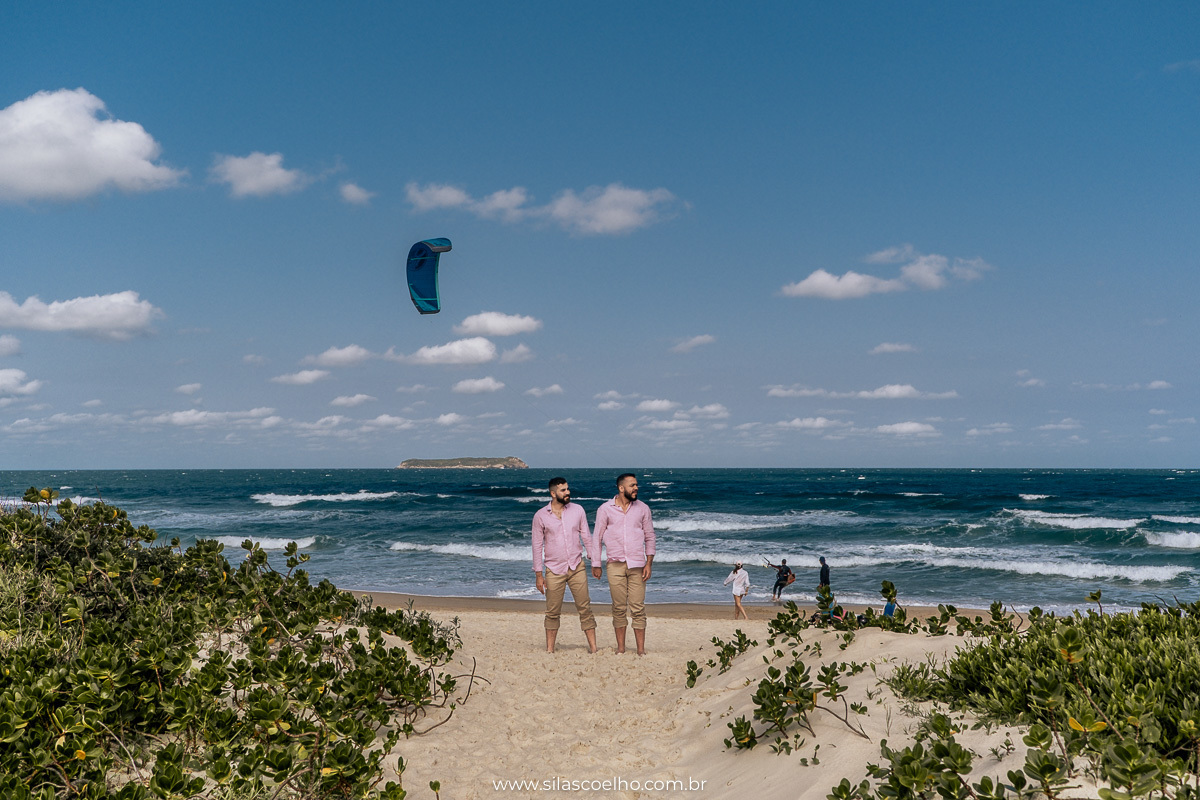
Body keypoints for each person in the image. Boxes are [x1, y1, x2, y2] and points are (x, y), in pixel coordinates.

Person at [532, 476, 599, 654]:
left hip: (577, 566)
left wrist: (595, 561)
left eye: (568, 489)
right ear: (553, 493)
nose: (567, 492)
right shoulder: (540, 516)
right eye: (563, 490)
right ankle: (550, 649)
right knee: (552, 611)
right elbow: (537, 545)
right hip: (554, 569)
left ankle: (593, 648)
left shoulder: (578, 510)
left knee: (585, 607)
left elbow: (586, 536)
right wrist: (539, 574)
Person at [592, 473, 656, 655]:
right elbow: (596, 537)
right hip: (615, 564)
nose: (636, 488)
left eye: (636, 485)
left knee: (638, 607)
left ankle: (641, 651)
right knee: (618, 607)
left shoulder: (643, 509)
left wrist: (649, 563)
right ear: (621, 488)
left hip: (638, 564)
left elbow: (650, 537)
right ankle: (621, 649)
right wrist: (596, 563)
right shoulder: (605, 509)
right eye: (632, 485)